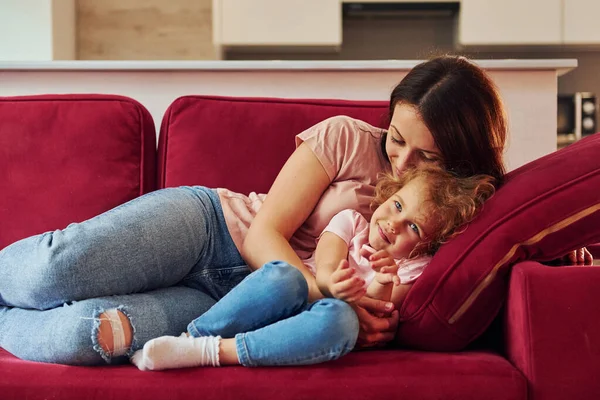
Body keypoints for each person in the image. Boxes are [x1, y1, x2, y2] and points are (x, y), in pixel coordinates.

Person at [0, 55, 587, 366]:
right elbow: (264, 236)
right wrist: (320, 290)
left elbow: (513, 243)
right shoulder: (344, 138)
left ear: (460, 159)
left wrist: (564, 256)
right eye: (396, 138)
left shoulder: (459, 212)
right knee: (60, 269)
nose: (401, 162)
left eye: (425, 154)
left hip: (232, 309)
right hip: (215, 233)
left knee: (93, 337)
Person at [129, 166, 496, 370]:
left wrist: (384, 282)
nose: (394, 225)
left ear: (427, 244)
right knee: (283, 274)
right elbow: (324, 267)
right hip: (288, 297)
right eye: (398, 206)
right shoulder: (352, 221)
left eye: (413, 227)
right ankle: (191, 338)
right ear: (389, 194)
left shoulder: (414, 268)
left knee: (342, 322)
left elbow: (380, 312)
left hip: (314, 325)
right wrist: (334, 283)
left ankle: (210, 352)